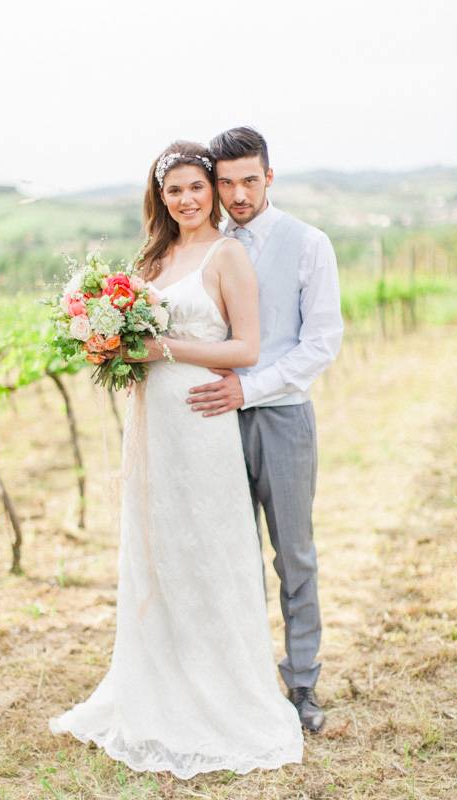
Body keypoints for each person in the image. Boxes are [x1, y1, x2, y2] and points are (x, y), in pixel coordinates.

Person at [50, 141, 303, 778]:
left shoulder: (228, 255)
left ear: (214, 192)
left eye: (196, 188)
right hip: (153, 423)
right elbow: (137, 338)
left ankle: (220, 694)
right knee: (157, 546)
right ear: (160, 197)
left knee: (207, 550)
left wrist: (164, 350)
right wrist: (107, 341)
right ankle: (156, 688)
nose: (186, 200)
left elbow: (245, 348)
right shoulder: (154, 256)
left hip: (200, 421)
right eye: (174, 191)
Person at [186, 127, 344, 733]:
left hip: (281, 419)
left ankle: (301, 683)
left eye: (249, 180)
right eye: (225, 183)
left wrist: (249, 388)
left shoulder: (309, 244)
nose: (237, 194)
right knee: (230, 556)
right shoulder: (207, 246)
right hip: (212, 421)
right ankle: (241, 684)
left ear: (269, 177)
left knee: (293, 554)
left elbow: (322, 343)